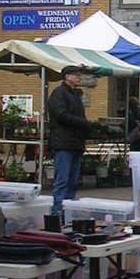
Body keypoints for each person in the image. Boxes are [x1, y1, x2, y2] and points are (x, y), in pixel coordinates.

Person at [47, 65, 90, 221]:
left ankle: (68, 213)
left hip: (75, 144)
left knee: (72, 182)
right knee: (62, 181)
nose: (79, 77)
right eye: (76, 75)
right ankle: (57, 214)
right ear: (66, 76)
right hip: (64, 143)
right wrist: (83, 123)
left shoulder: (75, 95)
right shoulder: (59, 93)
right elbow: (60, 114)